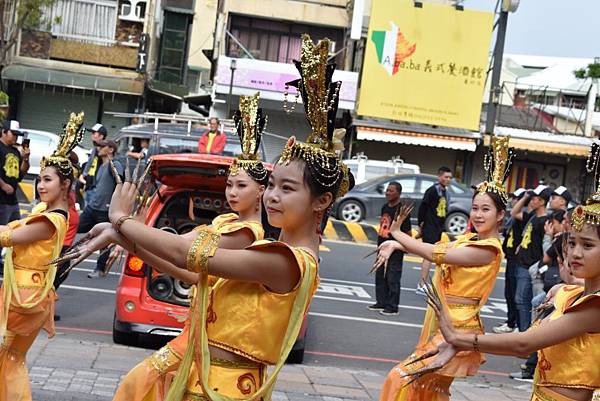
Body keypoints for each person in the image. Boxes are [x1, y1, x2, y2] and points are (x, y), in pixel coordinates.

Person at [58, 35, 354, 401]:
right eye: (274, 184)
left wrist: (123, 221)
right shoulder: (273, 249)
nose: (275, 195)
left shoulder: (287, 260)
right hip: (208, 377)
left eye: (287, 189)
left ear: (322, 201)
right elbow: (192, 273)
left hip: (224, 389)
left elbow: (187, 254)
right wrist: (124, 236)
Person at [411, 150, 600, 401]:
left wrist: (459, 339)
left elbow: (524, 344)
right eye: (572, 243)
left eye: (587, 245)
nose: (575, 253)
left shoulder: (594, 307)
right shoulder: (570, 294)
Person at [376, 136, 514, 401]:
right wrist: (398, 246)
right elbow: (439, 246)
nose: (478, 214)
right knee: (429, 389)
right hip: (445, 320)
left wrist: (397, 235)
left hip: (459, 328)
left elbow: (436, 253)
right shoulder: (470, 240)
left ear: (500, 216)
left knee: (404, 378)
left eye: (486, 209)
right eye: (475, 208)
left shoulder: (488, 249)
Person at [0, 112, 84, 401]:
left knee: (9, 359)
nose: (40, 186)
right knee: (8, 359)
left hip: (25, 297)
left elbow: (10, 236)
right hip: (20, 292)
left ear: (65, 185)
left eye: (47, 180)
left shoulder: (53, 220)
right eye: (39, 179)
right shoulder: (44, 213)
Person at [77, 139, 123, 278]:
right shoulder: (101, 166)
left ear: (110, 150)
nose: (99, 148)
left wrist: (114, 204)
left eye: (102, 146)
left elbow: (120, 182)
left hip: (105, 209)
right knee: (75, 227)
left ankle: (100, 269)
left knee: (104, 240)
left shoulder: (114, 164)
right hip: (93, 207)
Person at [511, 184, 552, 332]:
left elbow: (544, 247)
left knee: (524, 301)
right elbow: (515, 213)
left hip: (531, 265)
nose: (531, 201)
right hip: (521, 263)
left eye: (534, 199)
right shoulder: (532, 217)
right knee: (521, 300)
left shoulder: (545, 221)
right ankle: (524, 331)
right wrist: (526, 197)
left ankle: (525, 333)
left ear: (542, 201)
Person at [368, 182, 411, 316]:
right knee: (380, 275)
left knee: (392, 277)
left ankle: (392, 306)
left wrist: (402, 246)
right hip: (382, 247)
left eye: (391, 191)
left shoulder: (401, 211)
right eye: (387, 190)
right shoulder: (385, 207)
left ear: (398, 193)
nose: (387, 192)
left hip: (395, 249)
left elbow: (408, 233)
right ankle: (381, 302)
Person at [494, 188, 526, 334]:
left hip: (517, 259)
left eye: (517, 198)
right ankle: (511, 320)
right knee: (509, 292)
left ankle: (516, 323)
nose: (513, 200)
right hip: (511, 257)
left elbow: (515, 212)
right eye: (513, 197)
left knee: (516, 295)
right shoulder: (514, 217)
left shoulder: (523, 216)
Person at [416, 166, 452, 295]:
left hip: (437, 227)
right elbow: (423, 207)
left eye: (450, 177)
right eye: (446, 177)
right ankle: (422, 284)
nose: (448, 179)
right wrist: (421, 224)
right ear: (439, 176)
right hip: (429, 226)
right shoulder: (432, 191)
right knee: (429, 255)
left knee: (433, 255)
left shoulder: (445, 192)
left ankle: (426, 283)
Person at [0, 120, 30, 230]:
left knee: (15, 231)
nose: (16, 138)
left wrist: (26, 158)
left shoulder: (15, 151)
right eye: (13, 134)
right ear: (4, 132)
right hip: (1, 200)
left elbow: (22, 172)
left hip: (13, 200)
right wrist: (3, 185)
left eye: (17, 135)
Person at [79, 123, 107, 205]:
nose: (92, 136)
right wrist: (83, 175)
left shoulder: (104, 150)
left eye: (94, 133)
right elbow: (90, 163)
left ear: (101, 136)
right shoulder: (94, 149)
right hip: (89, 186)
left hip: (97, 188)